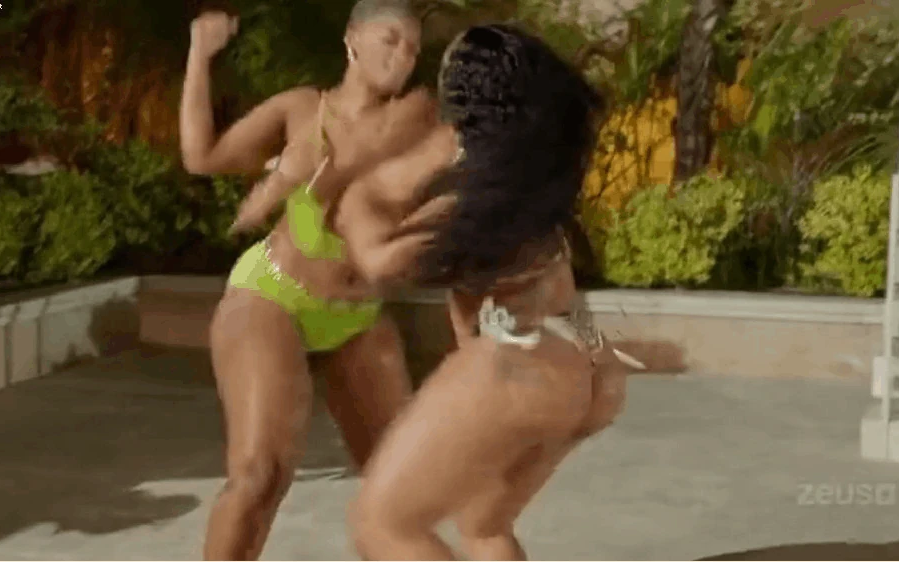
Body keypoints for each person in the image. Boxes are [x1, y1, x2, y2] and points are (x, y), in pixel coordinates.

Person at [321, 24, 645, 560]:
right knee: (482, 525)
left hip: (513, 365)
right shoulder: (533, 185)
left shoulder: (473, 202)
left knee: (382, 525)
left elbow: (376, 261)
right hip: (582, 371)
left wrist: (357, 189)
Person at [177, 1, 433, 559]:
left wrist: (294, 176)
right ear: (352, 39)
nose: (403, 56)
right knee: (259, 476)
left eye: (413, 48)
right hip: (273, 294)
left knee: (398, 494)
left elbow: (366, 156)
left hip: (358, 315)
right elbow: (202, 157)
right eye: (391, 39)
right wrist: (200, 54)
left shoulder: (418, 121)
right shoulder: (301, 109)